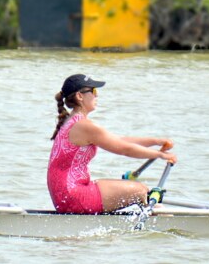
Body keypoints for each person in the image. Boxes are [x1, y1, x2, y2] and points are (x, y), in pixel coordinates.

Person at [47, 74, 177, 214]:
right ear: (80, 96)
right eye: (94, 92)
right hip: (72, 195)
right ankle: (156, 219)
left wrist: (156, 142)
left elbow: (118, 140)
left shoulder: (73, 121)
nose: (97, 96)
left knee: (136, 190)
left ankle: (152, 214)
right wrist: (160, 155)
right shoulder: (83, 125)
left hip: (66, 194)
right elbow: (124, 149)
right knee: (140, 190)